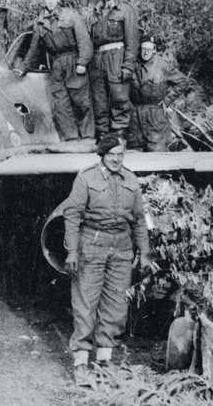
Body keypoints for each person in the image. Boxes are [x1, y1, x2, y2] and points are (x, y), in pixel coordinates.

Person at [62, 132, 153, 384]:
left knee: (115, 305)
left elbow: (138, 221)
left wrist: (145, 253)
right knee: (85, 304)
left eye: (120, 155)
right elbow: (72, 215)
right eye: (111, 155)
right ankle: (81, 362)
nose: (115, 160)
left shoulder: (131, 179)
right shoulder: (86, 178)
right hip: (92, 244)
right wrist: (72, 251)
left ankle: (104, 360)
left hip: (122, 247)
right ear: (102, 155)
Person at [17, 0, 94, 141]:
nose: (50, 1)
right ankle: (70, 139)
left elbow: (84, 40)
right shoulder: (39, 22)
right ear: (43, 0)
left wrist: (82, 62)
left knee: (81, 102)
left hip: (74, 61)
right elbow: (34, 48)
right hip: (56, 65)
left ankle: (88, 138)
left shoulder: (71, 16)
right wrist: (23, 67)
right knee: (61, 105)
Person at [90, 0, 139, 142]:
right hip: (98, 61)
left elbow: (132, 41)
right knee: (99, 100)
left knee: (119, 99)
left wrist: (128, 66)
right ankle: (103, 137)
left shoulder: (126, 9)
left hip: (117, 59)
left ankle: (119, 138)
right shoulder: (96, 11)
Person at [128, 34, 190, 152]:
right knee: (134, 151)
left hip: (156, 116)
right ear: (139, 49)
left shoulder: (162, 65)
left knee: (157, 151)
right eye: (143, 49)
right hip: (135, 116)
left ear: (154, 50)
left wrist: (167, 100)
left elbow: (183, 81)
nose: (146, 52)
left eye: (149, 49)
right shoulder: (132, 65)